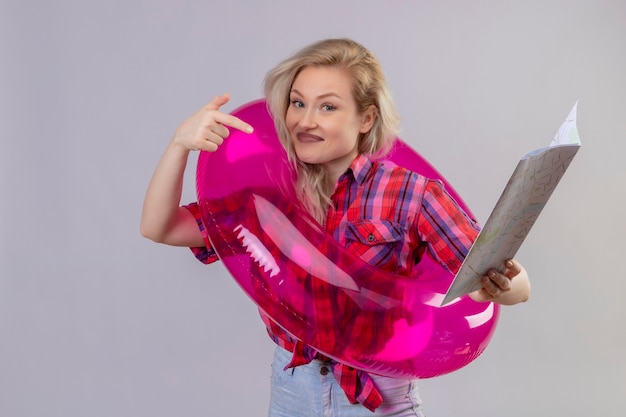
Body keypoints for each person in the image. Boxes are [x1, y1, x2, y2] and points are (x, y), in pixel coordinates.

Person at [141, 38, 531, 417]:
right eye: (298, 103)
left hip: (379, 394)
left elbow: (505, 279)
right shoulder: (268, 196)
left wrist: (508, 283)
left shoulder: (412, 193)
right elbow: (160, 227)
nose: (305, 121)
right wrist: (179, 145)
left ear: (366, 117)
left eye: (327, 107)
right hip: (294, 388)